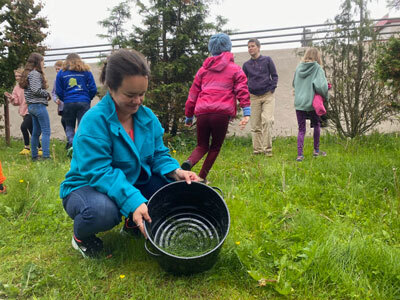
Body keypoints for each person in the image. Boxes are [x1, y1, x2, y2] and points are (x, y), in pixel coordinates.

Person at [60, 49, 200, 258]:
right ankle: (82, 237)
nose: (138, 101)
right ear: (111, 88)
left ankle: (131, 224)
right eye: (130, 95)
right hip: (87, 186)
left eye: (142, 94)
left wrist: (176, 172)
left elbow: (158, 154)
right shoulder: (94, 122)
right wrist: (133, 200)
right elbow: (100, 172)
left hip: (130, 180)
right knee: (104, 211)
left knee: (169, 192)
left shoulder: (147, 117)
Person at [181, 33, 251, 183]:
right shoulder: (235, 69)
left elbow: (193, 94)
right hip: (221, 114)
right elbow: (242, 90)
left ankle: (189, 163)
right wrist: (246, 111)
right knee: (215, 147)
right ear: (228, 48)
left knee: (201, 145)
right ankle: (201, 177)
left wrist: (188, 116)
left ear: (211, 49)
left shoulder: (203, 70)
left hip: (203, 113)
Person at [242, 38, 278, 156]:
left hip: (268, 95)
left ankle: (268, 150)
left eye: (252, 46)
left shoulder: (267, 60)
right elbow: (243, 81)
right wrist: (247, 93)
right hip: (253, 97)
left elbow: (274, 75)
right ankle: (257, 151)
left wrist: (272, 88)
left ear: (258, 47)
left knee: (267, 121)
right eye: (248, 47)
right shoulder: (246, 65)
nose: (250, 48)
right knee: (255, 124)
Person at [292, 47, 329, 162]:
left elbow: (294, 84)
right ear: (318, 57)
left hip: (299, 103)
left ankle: (300, 155)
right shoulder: (317, 68)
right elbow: (321, 86)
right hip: (312, 103)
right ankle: (316, 151)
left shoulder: (298, 68)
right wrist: (325, 95)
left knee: (301, 129)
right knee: (316, 124)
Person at [55, 53, 97, 151]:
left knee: (69, 125)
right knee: (83, 125)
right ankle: (83, 147)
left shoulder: (61, 73)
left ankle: (72, 144)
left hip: (69, 102)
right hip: (83, 102)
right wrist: (87, 98)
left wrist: (65, 99)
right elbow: (93, 88)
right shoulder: (86, 71)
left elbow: (59, 91)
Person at [19, 53, 51, 161]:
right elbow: (36, 90)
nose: (43, 63)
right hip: (38, 105)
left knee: (36, 132)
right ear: (37, 62)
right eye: (42, 61)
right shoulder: (35, 74)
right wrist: (46, 94)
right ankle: (46, 156)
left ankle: (34, 156)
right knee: (46, 131)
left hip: (32, 107)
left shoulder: (28, 74)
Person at [4, 68, 42, 156]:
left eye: (19, 76)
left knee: (23, 127)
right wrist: (11, 98)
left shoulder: (29, 85)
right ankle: (40, 148)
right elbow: (17, 102)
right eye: (16, 76)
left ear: (24, 76)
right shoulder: (16, 88)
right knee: (32, 130)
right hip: (23, 111)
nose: (17, 78)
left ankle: (27, 147)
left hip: (31, 110)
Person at [51, 60, 66, 134]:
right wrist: (55, 99)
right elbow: (53, 92)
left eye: (58, 69)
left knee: (66, 121)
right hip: (61, 105)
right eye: (56, 69)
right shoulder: (55, 80)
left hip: (67, 103)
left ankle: (71, 140)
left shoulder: (66, 78)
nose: (57, 71)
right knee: (64, 122)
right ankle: (69, 139)